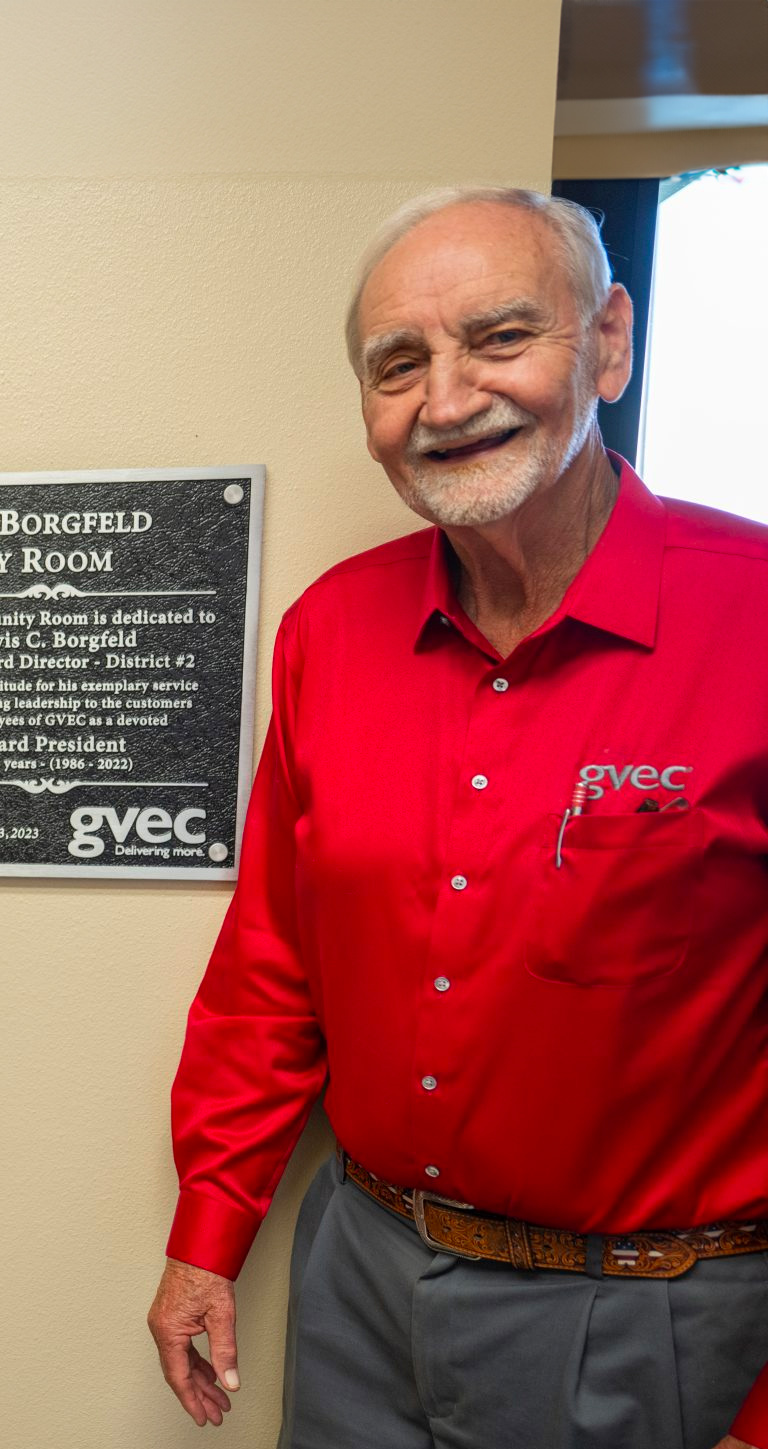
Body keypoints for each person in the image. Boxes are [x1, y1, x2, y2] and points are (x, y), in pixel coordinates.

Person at [146, 187, 768, 1449]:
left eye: (497, 338)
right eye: (397, 364)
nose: (443, 400)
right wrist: (206, 1237)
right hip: (359, 1281)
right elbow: (270, 968)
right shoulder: (329, 630)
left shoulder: (751, 617)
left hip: (646, 1312)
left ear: (605, 342)